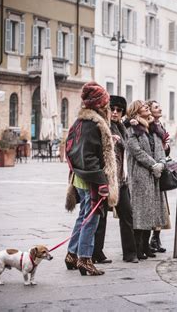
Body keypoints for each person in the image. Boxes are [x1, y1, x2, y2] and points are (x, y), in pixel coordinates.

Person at [64, 81, 118, 276]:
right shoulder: (92, 123)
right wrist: (102, 182)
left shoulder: (79, 122)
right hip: (91, 179)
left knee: (83, 217)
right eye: (106, 102)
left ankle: (71, 254)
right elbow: (89, 156)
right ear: (99, 104)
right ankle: (85, 259)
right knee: (91, 219)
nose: (108, 106)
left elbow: (75, 149)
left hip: (80, 177)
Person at [92, 95, 139, 264]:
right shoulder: (102, 126)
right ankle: (97, 252)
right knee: (101, 217)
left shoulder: (122, 128)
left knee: (127, 214)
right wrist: (109, 142)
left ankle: (130, 253)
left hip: (122, 180)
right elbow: (96, 148)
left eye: (119, 110)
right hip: (107, 179)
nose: (115, 112)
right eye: (112, 109)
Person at [125, 100, 167, 260]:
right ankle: (137, 247)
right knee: (140, 212)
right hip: (140, 176)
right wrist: (153, 165)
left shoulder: (153, 128)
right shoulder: (131, 129)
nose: (147, 108)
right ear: (136, 112)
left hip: (154, 175)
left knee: (150, 211)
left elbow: (160, 149)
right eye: (144, 107)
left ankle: (146, 246)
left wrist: (161, 163)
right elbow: (136, 151)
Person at [146, 100, 172, 253]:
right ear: (149, 110)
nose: (160, 108)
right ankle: (150, 239)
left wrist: (166, 148)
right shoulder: (149, 127)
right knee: (153, 205)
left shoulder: (160, 126)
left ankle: (156, 238)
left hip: (161, 169)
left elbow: (164, 149)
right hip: (152, 168)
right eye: (156, 107)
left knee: (162, 206)